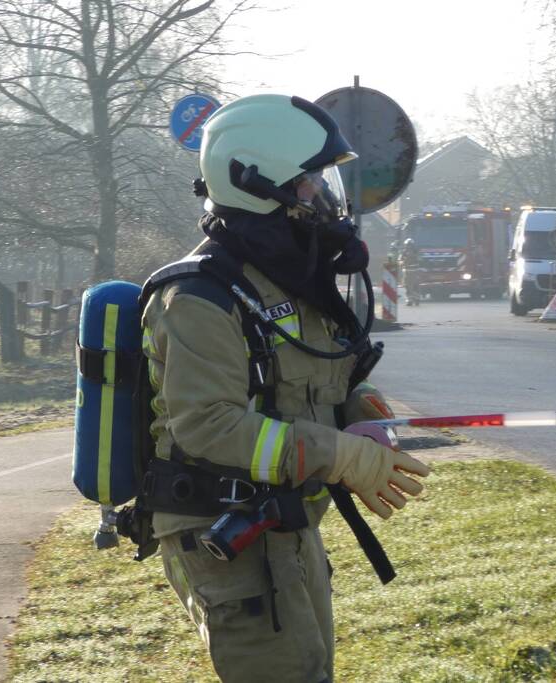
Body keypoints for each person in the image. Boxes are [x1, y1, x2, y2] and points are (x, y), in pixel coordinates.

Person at [140, 94, 430, 682]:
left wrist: (361, 409)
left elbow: (320, 376)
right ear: (257, 185)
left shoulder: (282, 281)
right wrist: (339, 455)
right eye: (307, 182)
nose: (321, 196)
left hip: (284, 525)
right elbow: (208, 426)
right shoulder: (198, 299)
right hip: (223, 535)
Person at [400, 237, 421, 306]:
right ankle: (410, 300)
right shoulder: (403, 252)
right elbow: (400, 261)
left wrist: (413, 258)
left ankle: (416, 299)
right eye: (407, 245)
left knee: (415, 285)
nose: (409, 247)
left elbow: (420, 259)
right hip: (407, 271)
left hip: (414, 271)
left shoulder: (416, 251)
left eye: (410, 245)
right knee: (408, 286)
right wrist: (403, 262)